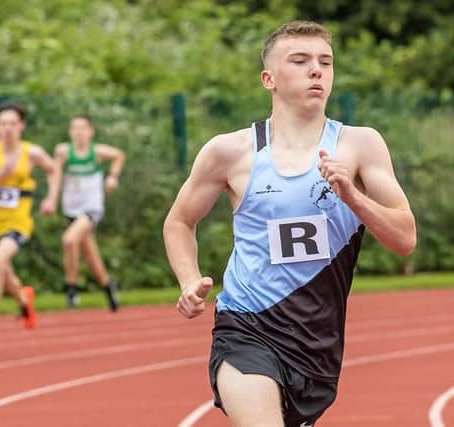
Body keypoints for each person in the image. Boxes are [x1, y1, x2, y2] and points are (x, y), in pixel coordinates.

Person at [163, 21, 416, 427]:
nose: (316, 70)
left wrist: (353, 196)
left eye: (325, 62)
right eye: (299, 61)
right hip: (245, 327)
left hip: (317, 344)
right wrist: (188, 278)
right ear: (269, 79)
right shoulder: (231, 151)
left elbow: (405, 237)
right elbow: (179, 221)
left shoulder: (359, 145)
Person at [0, 102, 59, 345]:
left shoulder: (32, 152)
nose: (8, 128)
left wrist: (51, 198)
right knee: (3, 272)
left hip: (18, 222)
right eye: (3, 123)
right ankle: (23, 299)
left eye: (12, 123)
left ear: (21, 125)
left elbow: (53, 169)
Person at [53, 115, 125, 311]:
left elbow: (119, 155)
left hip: (92, 209)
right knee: (90, 255)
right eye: (75, 128)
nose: (79, 132)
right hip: (71, 210)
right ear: (70, 132)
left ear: (90, 131)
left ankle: (71, 289)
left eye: (83, 128)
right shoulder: (63, 152)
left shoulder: (97, 151)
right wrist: (51, 199)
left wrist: (112, 177)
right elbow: (56, 176)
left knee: (69, 240)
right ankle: (108, 287)